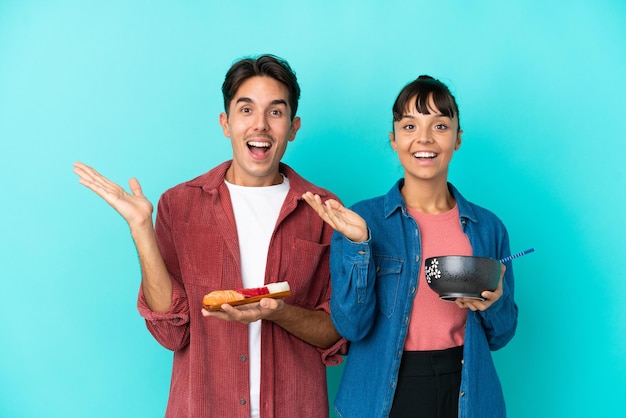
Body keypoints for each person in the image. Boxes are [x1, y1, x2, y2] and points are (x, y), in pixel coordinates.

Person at [74, 54, 345, 418]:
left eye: (275, 112)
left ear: (293, 127)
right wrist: (141, 228)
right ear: (226, 123)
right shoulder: (179, 205)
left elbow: (334, 333)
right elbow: (172, 334)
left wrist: (279, 313)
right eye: (246, 110)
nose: (260, 125)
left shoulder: (324, 209)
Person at [303, 75, 518, 418]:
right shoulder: (362, 220)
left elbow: (501, 335)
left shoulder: (488, 228)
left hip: (465, 390)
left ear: (457, 139)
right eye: (409, 125)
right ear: (393, 140)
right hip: (383, 394)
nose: (424, 138)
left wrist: (495, 301)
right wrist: (360, 245)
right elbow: (351, 326)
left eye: (440, 125)